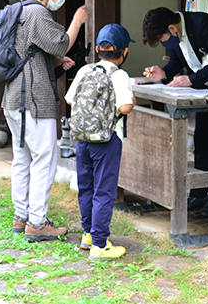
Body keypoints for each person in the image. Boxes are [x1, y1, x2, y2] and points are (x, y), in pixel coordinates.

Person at [2, 0, 88, 242]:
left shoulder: (17, 12)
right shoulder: (37, 13)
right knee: (44, 159)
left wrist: (55, 63)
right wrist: (77, 20)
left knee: (22, 158)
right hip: (34, 100)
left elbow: (32, 54)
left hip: (13, 97)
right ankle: (38, 223)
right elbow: (61, 43)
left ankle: (22, 216)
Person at [142, 7, 208, 219]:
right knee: (202, 139)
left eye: (163, 39)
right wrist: (163, 73)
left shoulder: (202, 25)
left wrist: (192, 79)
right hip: (203, 93)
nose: (165, 44)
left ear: (172, 28)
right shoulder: (175, 35)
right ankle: (199, 194)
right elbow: (175, 64)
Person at [65, 24, 136, 261]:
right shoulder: (120, 75)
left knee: (86, 187)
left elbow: (69, 99)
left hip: (83, 139)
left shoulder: (86, 70)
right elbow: (125, 107)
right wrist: (132, 99)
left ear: (97, 49)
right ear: (124, 52)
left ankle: (88, 235)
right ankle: (100, 245)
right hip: (107, 140)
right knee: (104, 192)